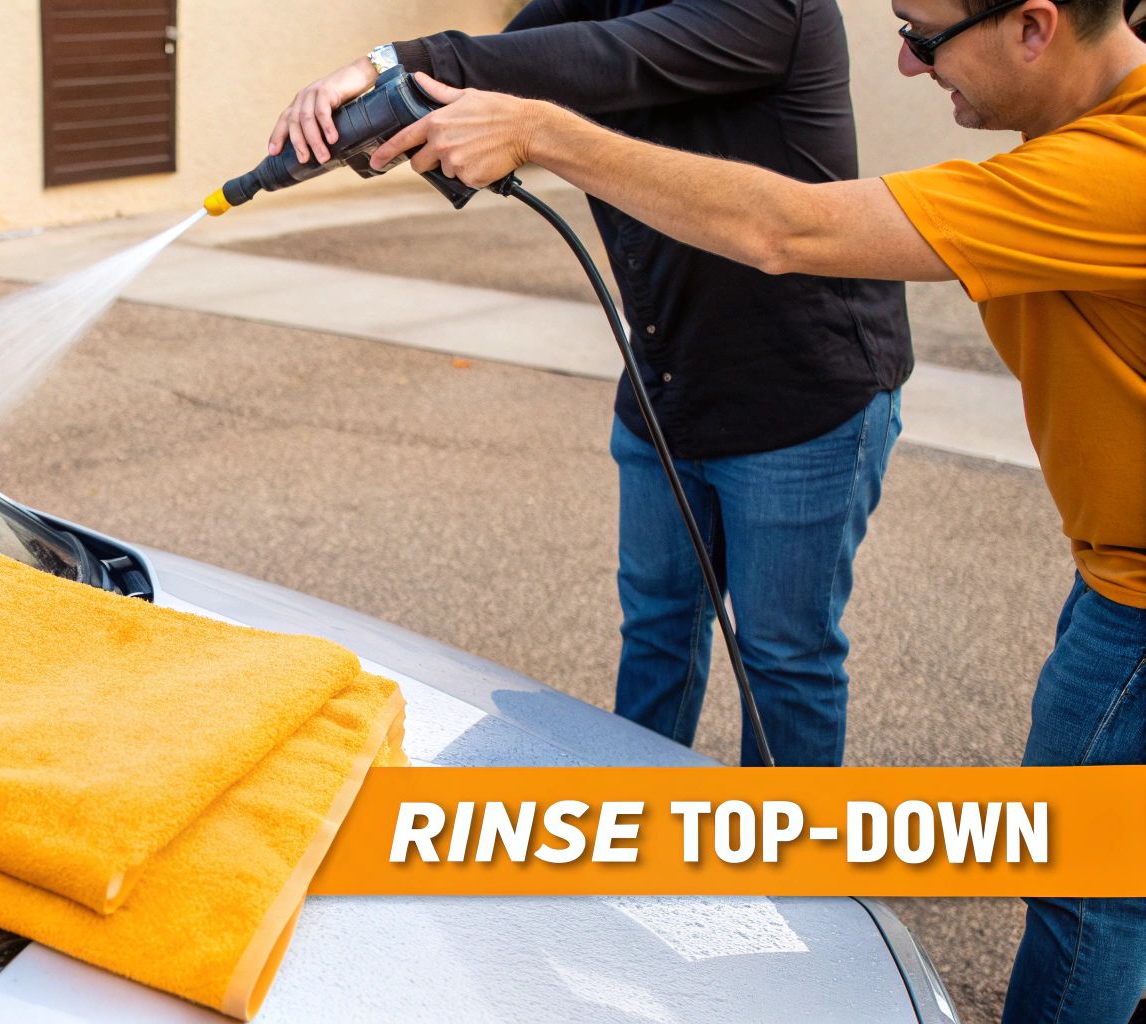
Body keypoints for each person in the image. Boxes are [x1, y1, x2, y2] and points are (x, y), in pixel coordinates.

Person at [370, 0, 1146, 1017]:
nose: (907, 68)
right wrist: (383, 71)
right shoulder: (1088, 139)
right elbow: (543, 44)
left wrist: (542, 130)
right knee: (658, 629)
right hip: (1099, 559)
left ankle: (801, 910)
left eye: (921, 37)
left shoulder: (1104, 172)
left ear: (1034, 26)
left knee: (1087, 891)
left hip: (1113, 583)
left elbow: (787, 227)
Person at [272, 2, 914, 768]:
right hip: (664, 382)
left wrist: (386, 61)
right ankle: (629, 835)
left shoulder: (777, 8)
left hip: (802, 393)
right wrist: (378, 103)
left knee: (784, 658)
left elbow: (602, 59)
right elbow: (500, 59)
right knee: (656, 633)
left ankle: (794, 876)